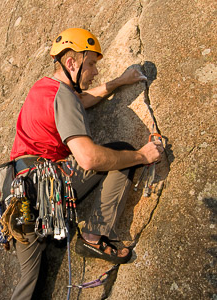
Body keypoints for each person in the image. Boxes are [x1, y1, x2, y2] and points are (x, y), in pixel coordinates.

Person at [8, 28, 163, 300]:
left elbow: (80, 101)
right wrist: (142, 156)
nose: (95, 71)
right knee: (120, 153)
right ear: (72, 63)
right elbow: (88, 158)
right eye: (91, 63)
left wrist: (118, 82)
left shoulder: (43, 88)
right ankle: (95, 235)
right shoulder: (62, 96)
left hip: (18, 199)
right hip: (47, 189)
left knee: (30, 283)